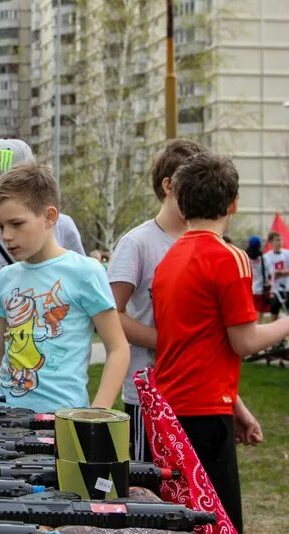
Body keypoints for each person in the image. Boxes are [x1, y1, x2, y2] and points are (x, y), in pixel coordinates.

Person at [152, 151, 274, 533]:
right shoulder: (230, 258)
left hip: (173, 410)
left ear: (181, 204)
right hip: (204, 414)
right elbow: (244, 342)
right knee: (220, 523)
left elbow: (197, 344)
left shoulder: (169, 260)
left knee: (184, 520)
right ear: (233, 203)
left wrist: (237, 408)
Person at [0, 163, 129, 412]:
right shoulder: (2, 280)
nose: (6, 235)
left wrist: (96, 414)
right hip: (7, 422)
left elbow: (118, 348)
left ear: (50, 217)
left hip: (65, 421)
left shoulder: (85, 272)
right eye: (0, 226)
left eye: (16, 224)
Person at [0, 138, 85, 388]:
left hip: (53, 357)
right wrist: (8, 309)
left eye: (3, 184)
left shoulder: (62, 225)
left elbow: (82, 294)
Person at [107, 138, 208, 462]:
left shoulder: (204, 242)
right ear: (168, 185)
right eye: (193, 184)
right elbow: (110, 314)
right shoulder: (136, 243)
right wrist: (166, 341)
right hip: (147, 395)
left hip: (196, 394)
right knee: (150, 492)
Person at [264, 231, 289, 321]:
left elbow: (276, 273)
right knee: (274, 315)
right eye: (277, 240)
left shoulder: (287, 253)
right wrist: (280, 272)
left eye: (281, 240)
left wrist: (279, 272)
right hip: (274, 290)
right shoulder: (266, 257)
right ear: (271, 242)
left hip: (287, 288)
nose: (280, 242)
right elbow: (270, 274)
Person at [246, 235, 272, 318]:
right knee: (258, 319)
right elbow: (269, 275)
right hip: (261, 292)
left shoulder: (244, 258)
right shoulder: (264, 259)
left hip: (247, 292)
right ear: (259, 246)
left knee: (249, 317)